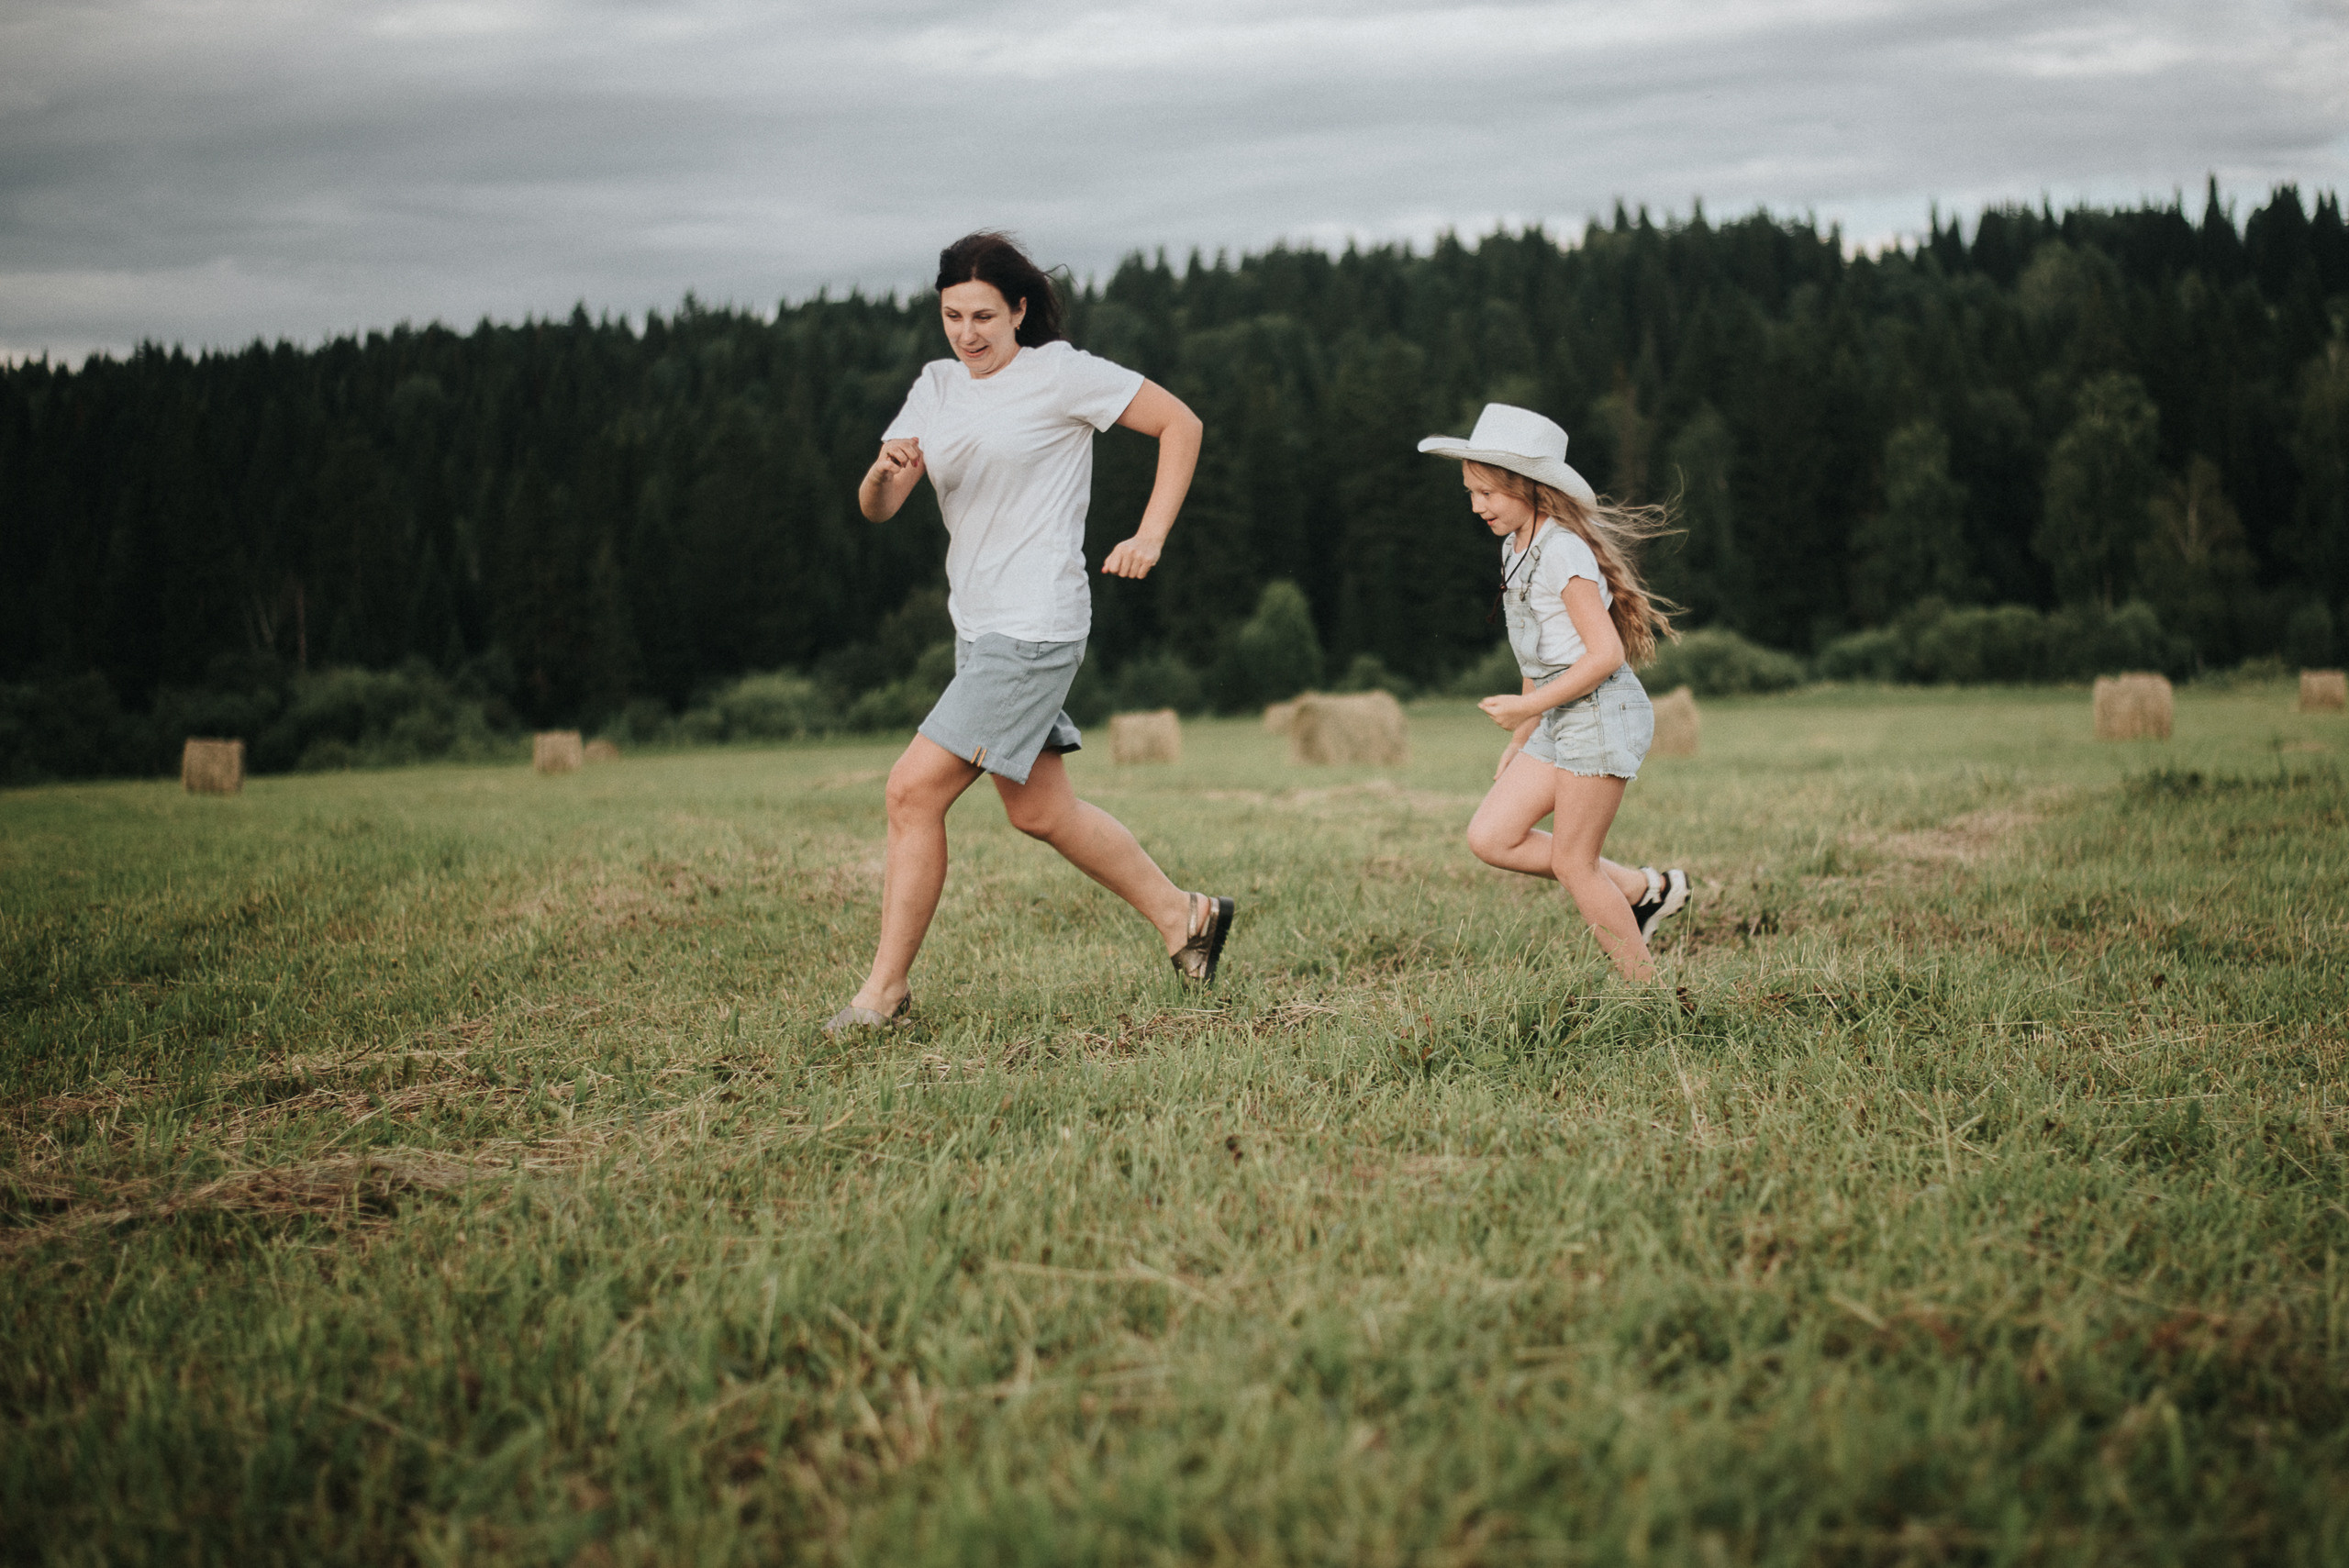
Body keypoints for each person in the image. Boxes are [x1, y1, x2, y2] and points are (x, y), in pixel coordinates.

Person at [824, 232, 1235, 1033]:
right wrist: (878, 477)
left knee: (911, 792)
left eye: (984, 315)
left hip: (1035, 623)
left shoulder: (1060, 373)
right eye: (952, 316)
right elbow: (881, 506)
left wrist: (1150, 534)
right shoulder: (936, 388)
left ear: (1018, 310)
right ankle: (1186, 916)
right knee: (1039, 810)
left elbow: (1179, 423)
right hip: (978, 629)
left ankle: (885, 994)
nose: (968, 333)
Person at [1419, 404, 1691, 981]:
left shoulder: (1563, 551)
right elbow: (1534, 652)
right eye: (1470, 491)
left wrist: (1529, 708)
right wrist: (1522, 735)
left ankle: (1653, 998)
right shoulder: (1516, 547)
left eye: (1487, 492)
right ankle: (1645, 890)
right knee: (1491, 837)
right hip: (1557, 715)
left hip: (1599, 713)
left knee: (1573, 862)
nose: (1476, 506)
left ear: (1529, 487)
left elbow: (1605, 655)